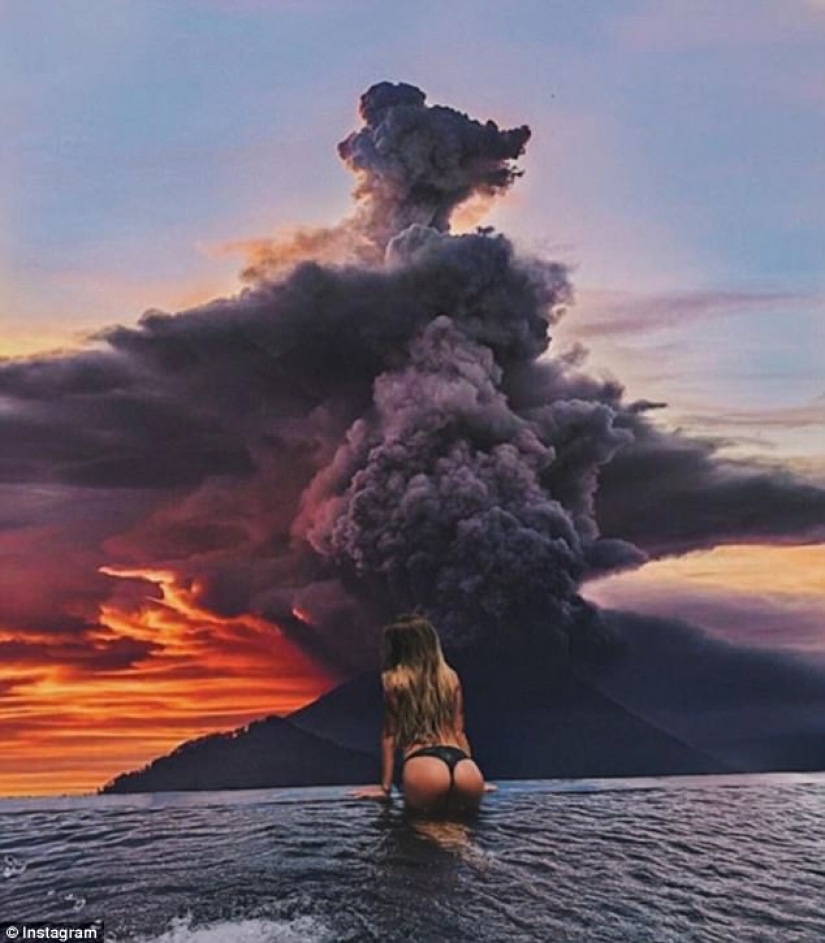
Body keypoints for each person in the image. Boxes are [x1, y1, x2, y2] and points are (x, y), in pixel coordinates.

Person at [352, 614, 496, 815]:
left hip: (424, 765)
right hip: (464, 766)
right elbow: (459, 731)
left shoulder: (393, 681)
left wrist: (385, 788)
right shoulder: (450, 677)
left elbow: (389, 736)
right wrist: (472, 776)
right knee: (464, 839)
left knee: (422, 838)